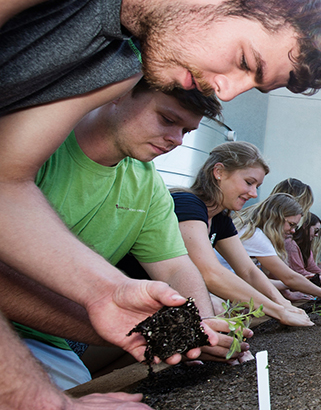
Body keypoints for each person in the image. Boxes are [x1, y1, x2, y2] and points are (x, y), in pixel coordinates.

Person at [0, 0, 321, 410]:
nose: (227, 93)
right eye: (242, 60)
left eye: (250, 85)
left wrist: (105, 291)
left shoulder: (117, 61)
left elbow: (5, 184)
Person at [9, 81, 242, 390]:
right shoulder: (31, 146)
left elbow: (175, 267)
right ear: (117, 92)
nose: (176, 140)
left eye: (186, 131)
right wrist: (153, 330)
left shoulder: (148, 185)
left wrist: (199, 327)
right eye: (167, 119)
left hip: (61, 339)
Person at [172, 142, 313, 327]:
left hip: (175, 294)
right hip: (144, 294)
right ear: (219, 172)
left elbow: (248, 271)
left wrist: (284, 305)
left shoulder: (220, 218)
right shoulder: (188, 204)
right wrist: (278, 311)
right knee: (217, 308)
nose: (254, 193)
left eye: (257, 186)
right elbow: (211, 273)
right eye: (249, 182)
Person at [235, 194, 321, 307]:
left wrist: (288, 290)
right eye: (291, 224)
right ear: (276, 217)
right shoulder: (255, 236)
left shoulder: (254, 231)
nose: (293, 231)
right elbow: (290, 278)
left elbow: (258, 279)